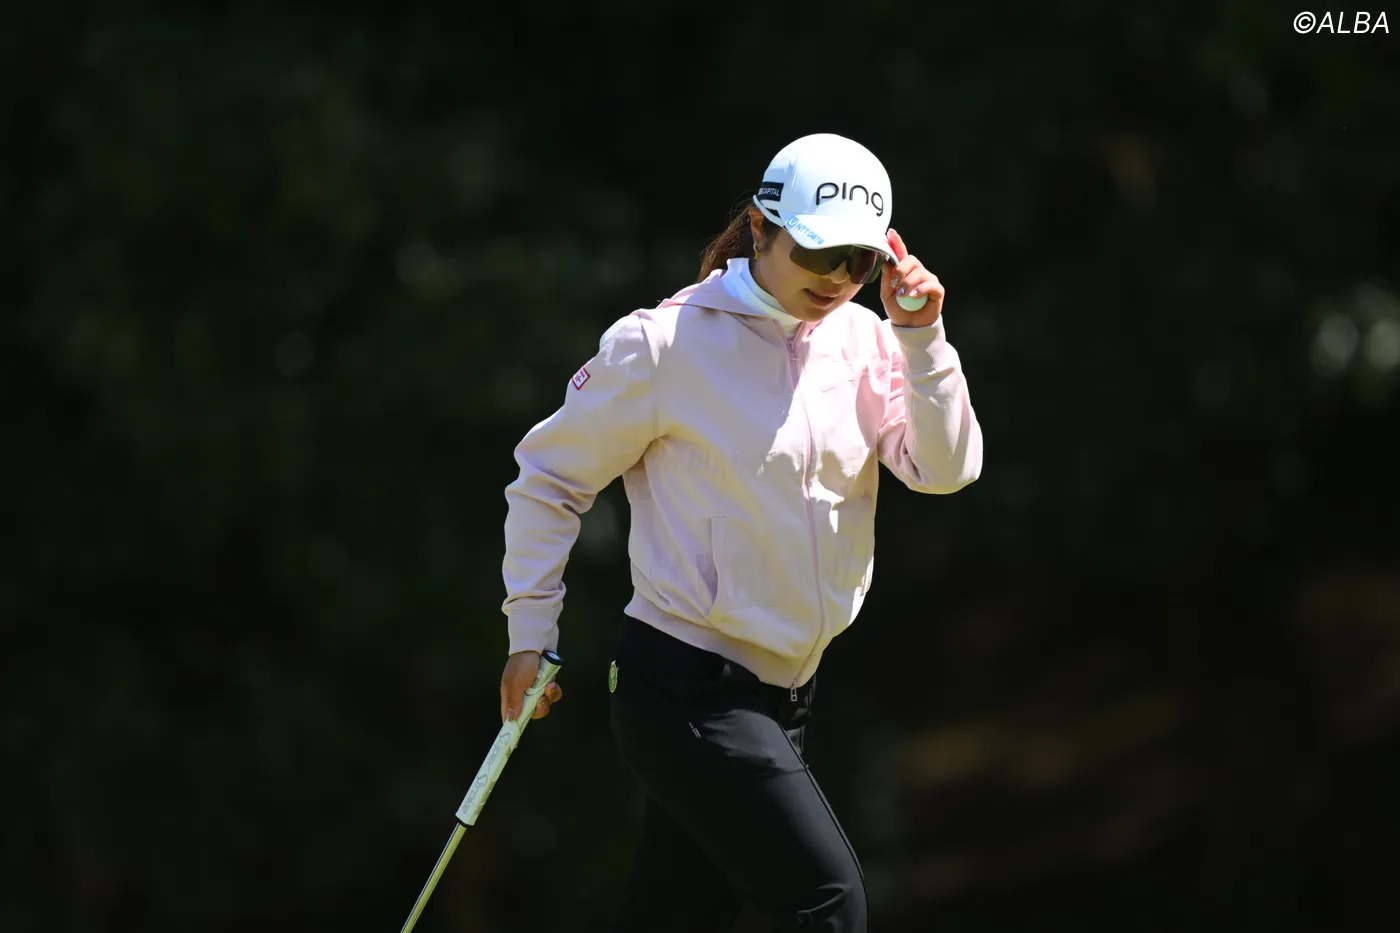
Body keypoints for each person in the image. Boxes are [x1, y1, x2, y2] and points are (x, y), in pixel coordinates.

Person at [496, 133, 984, 932]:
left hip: (784, 694)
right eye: (817, 253)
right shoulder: (664, 344)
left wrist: (923, 338)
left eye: (858, 262)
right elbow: (549, 476)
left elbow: (945, 468)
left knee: (674, 914)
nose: (837, 279)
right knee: (827, 901)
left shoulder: (869, 339)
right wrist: (529, 632)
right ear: (760, 226)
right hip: (684, 687)